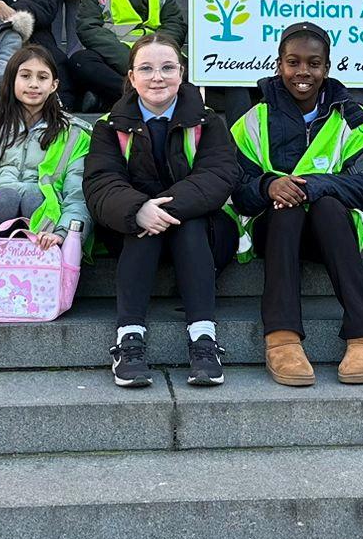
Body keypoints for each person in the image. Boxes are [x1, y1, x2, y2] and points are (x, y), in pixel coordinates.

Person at [229, 24, 363, 387]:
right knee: (285, 208)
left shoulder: (356, 120)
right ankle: (282, 336)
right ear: (279, 65)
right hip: (274, 233)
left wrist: (312, 186)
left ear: (327, 67)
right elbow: (239, 191)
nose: (303, 72)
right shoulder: (253, 120)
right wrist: (269, 185)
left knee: (326, 205)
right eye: (293, 62)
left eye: (314, 63)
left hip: (331, 232)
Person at [84, 34, 244, 390]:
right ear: (131, 77)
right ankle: (129, 340)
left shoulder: (208, 121)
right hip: (135, 237)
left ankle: (204, 340)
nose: (157, 77)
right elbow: (100, 183)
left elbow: (219, 175)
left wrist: (158, 208)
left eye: (167, 68)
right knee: (140, 226)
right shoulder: (108, 127)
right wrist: (138, 209)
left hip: (202, 235)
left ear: (181, 73)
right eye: (146, 69)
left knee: (187, 224)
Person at [0, 44, 91, 248]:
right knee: (5, 198)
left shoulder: (74, 134)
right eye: (25, 76)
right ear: (11, 81)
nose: (34, 84)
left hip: (48, 230)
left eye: (42, 77)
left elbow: (77, 192)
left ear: (54, 85)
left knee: (34, 197)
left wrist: (63, 233)